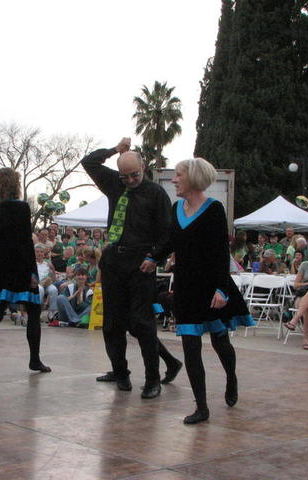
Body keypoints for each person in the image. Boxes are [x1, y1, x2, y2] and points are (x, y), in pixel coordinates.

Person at [82, 137, 181, 399]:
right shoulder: (115, 184)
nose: (129, 180)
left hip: (140, 264)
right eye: (125, 176)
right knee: (112, 324)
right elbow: (89, 162)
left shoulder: (156, 193)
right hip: (114, 261)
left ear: (143, 167)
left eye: (134, 174)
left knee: (142, 323)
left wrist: (154, 258)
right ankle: (120, 372)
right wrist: (115, 149)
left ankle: (153, 379)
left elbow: (166, 234)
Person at [161, 158, 255, 425]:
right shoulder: (176, 207)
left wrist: (221, 290)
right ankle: (201, 407)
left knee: (219, 341)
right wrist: (150, 257)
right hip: (185, 287)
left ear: (192, 178)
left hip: (211, 287)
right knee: (190, 346)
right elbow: (171, 241)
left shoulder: (214, 209)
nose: (174, 180)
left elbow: (219, 253)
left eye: (178, 175)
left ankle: (231, 378)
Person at [0, 168, 51, 379]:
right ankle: (34, 359)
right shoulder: (21, 208)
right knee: (34, 311)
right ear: (16, 184)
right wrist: (32, 274)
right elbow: (26, 242)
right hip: (20, 267)